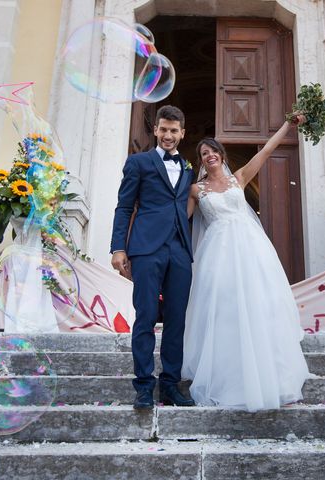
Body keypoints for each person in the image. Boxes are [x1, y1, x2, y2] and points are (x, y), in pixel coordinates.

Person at [182, 115, 310, 411]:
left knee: (260, 305)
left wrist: (287, 126)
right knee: (225, 310)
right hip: (217, 254)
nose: (210, 155)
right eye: (204, 153)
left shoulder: (238, 179)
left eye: (213, 150)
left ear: (221, 155)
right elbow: (181, 220)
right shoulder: (195, 191)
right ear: (200, 161)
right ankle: (229, 378)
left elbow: (265, 151)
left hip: (252, 250)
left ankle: (272, 376)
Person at [110, 105, 195, 410]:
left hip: (180, 250)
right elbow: (123, 207)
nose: (169, 135)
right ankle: (144, 386)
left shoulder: (188, 168)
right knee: (145, 316)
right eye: (164, 129)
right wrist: (118, 248)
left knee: (177, 320)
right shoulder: (138, 162)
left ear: (182, 133)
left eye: (174, 130)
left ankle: (170, 384)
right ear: (156, 130)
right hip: (146, 248)